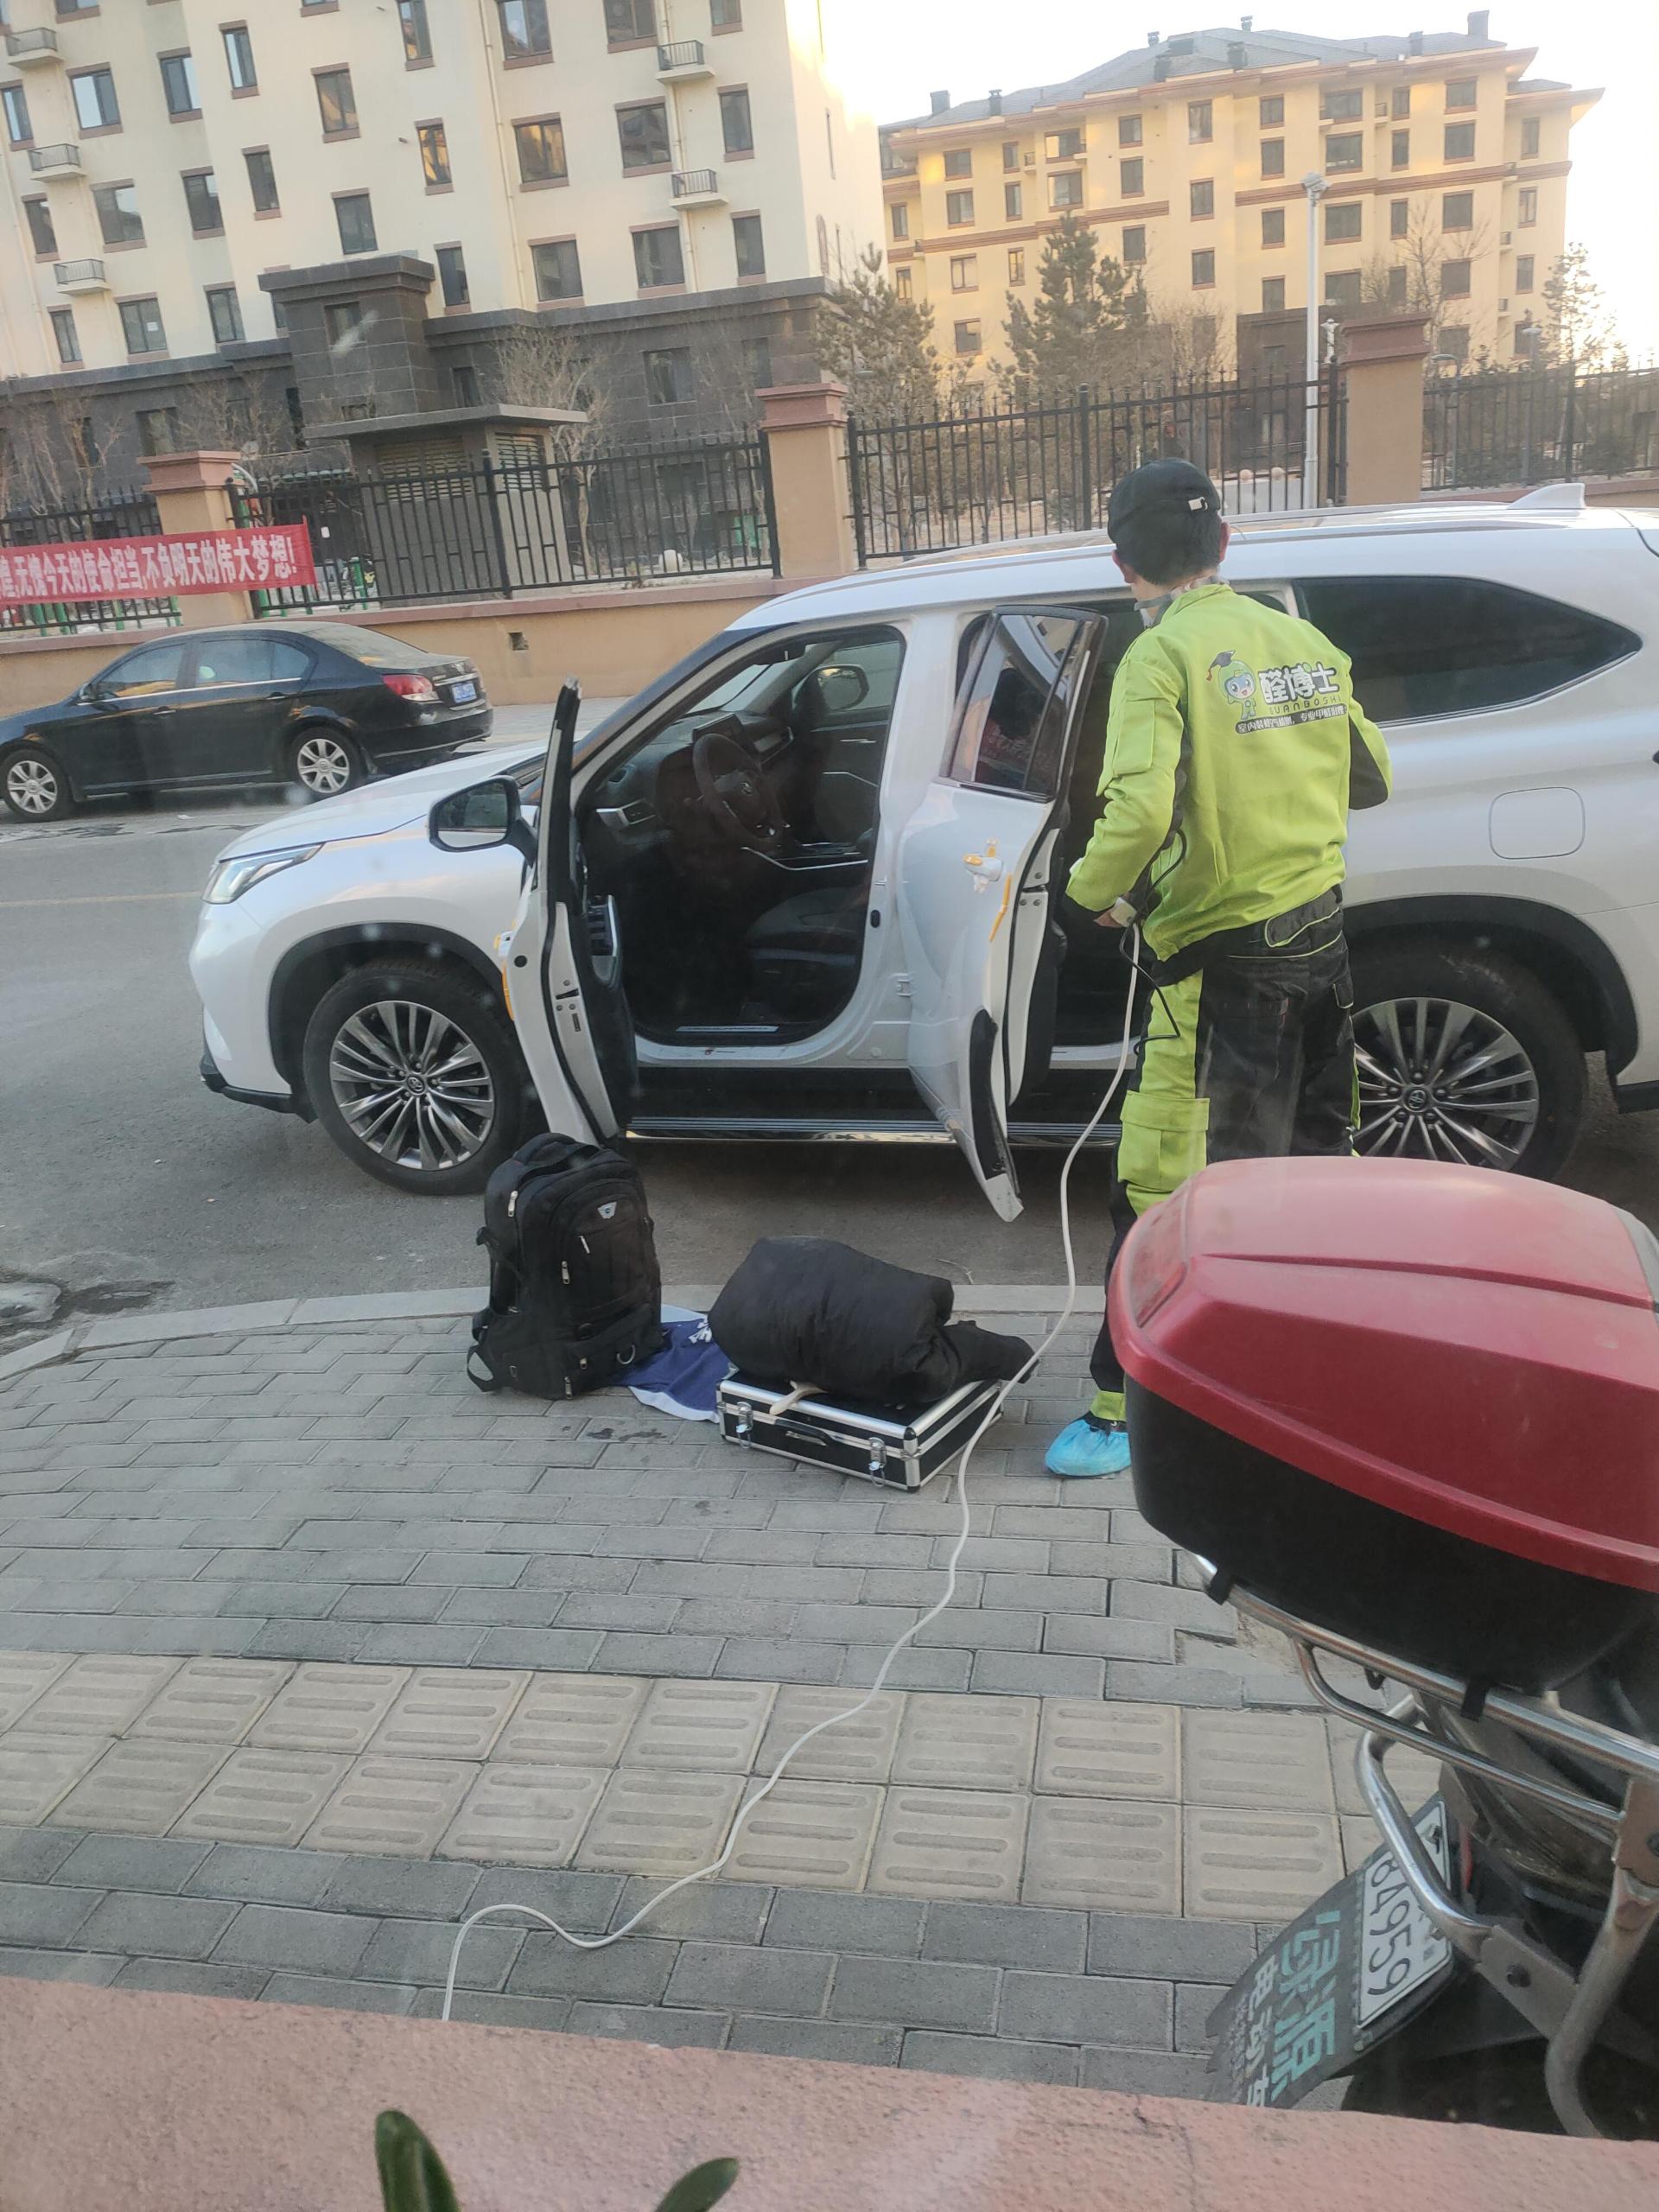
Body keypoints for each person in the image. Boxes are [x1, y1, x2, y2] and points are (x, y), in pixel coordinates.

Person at [1047, 459, 1393, 1479]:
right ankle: (1320, 1382)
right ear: (1226, 544)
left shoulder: (1160, 657)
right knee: (1313, 1173)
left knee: (1169, 1191)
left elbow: (1139, 811)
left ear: (1124, 565)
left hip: (1219, 970)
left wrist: (1086, 892)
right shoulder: (1302, 641)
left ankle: (1125, 1410)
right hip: (1321, 949)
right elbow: (1371, 774)